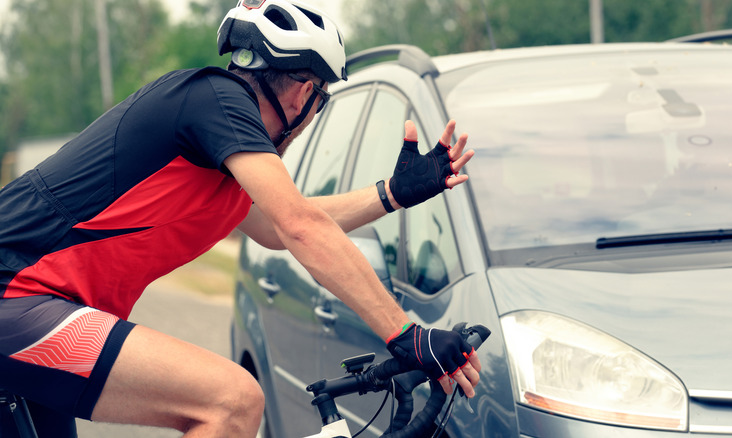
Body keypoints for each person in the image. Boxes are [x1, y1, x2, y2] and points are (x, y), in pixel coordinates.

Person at [0, 0, 480, 436]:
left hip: (35, 307)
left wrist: (392, 195)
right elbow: (300, 227)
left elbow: (279, 227)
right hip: (18, 299)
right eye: (322, 100)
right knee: (231, 401)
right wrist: (407, 334)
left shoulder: (217, 150)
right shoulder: (217, 100)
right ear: (303, 93)